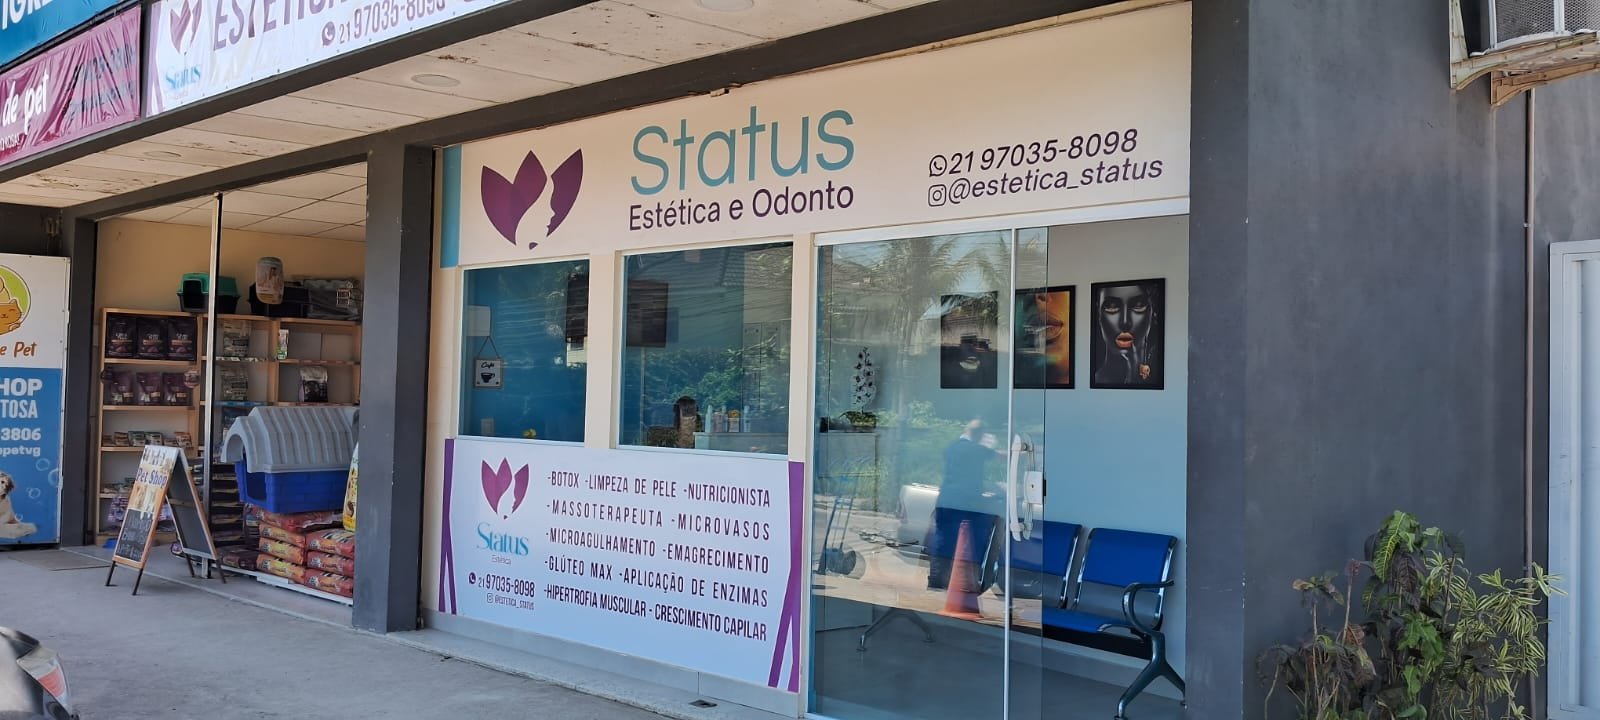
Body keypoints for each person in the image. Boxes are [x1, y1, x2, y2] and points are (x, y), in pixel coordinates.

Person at [926, 418, 1004, 591]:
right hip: (963, 504)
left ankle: (937, 580)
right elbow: (1001, 457)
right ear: (978, 434)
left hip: (946, 501)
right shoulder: (974, 449)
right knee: (968, 542)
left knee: (943, 541)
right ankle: (962, 582)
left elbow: (963, 474)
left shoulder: (952, 447)